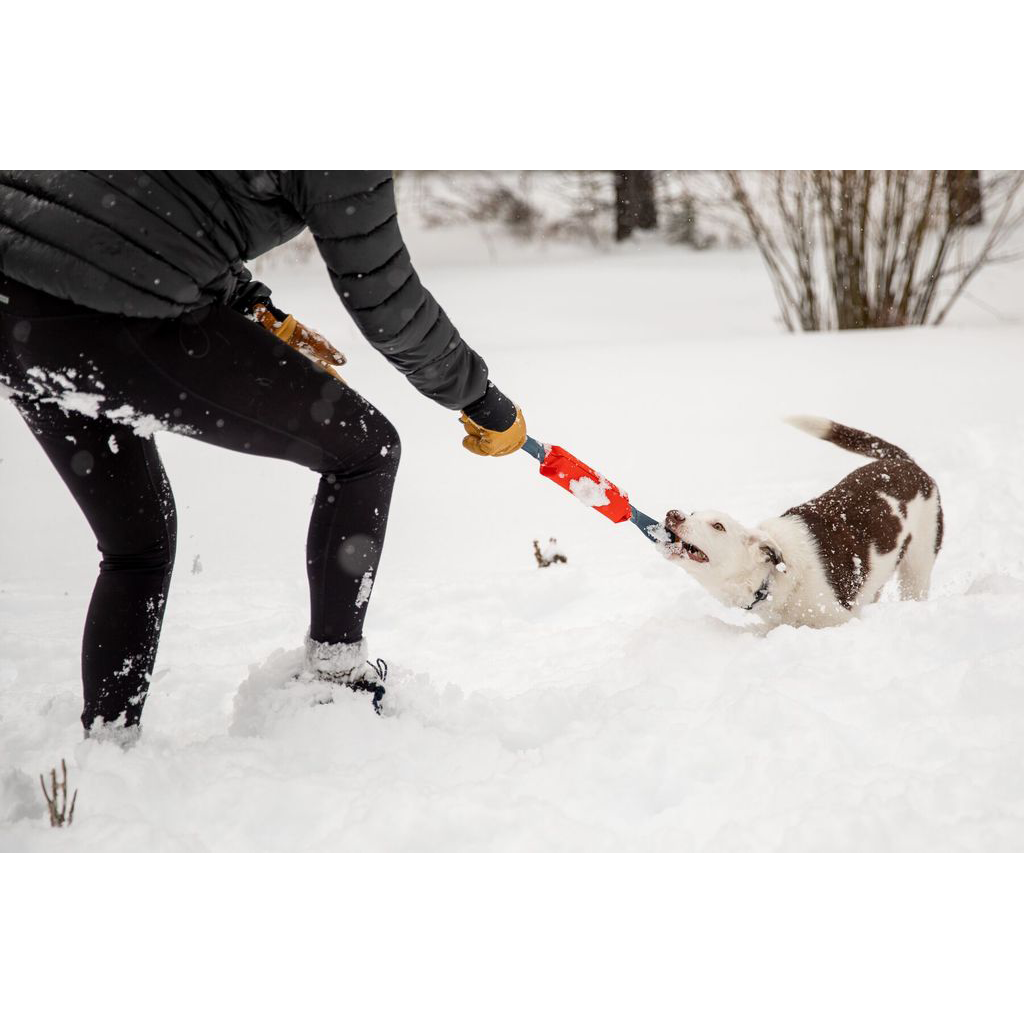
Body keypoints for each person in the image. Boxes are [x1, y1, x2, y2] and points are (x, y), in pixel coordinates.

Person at [0, 170, 526, 736]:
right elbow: (383, 296)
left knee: (137, 545)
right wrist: (478, 399)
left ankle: (106, 745)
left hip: (14, 306)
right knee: (366, 450)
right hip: (116, 312)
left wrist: (252, 306)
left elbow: (146, 200)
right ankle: (336, 679)